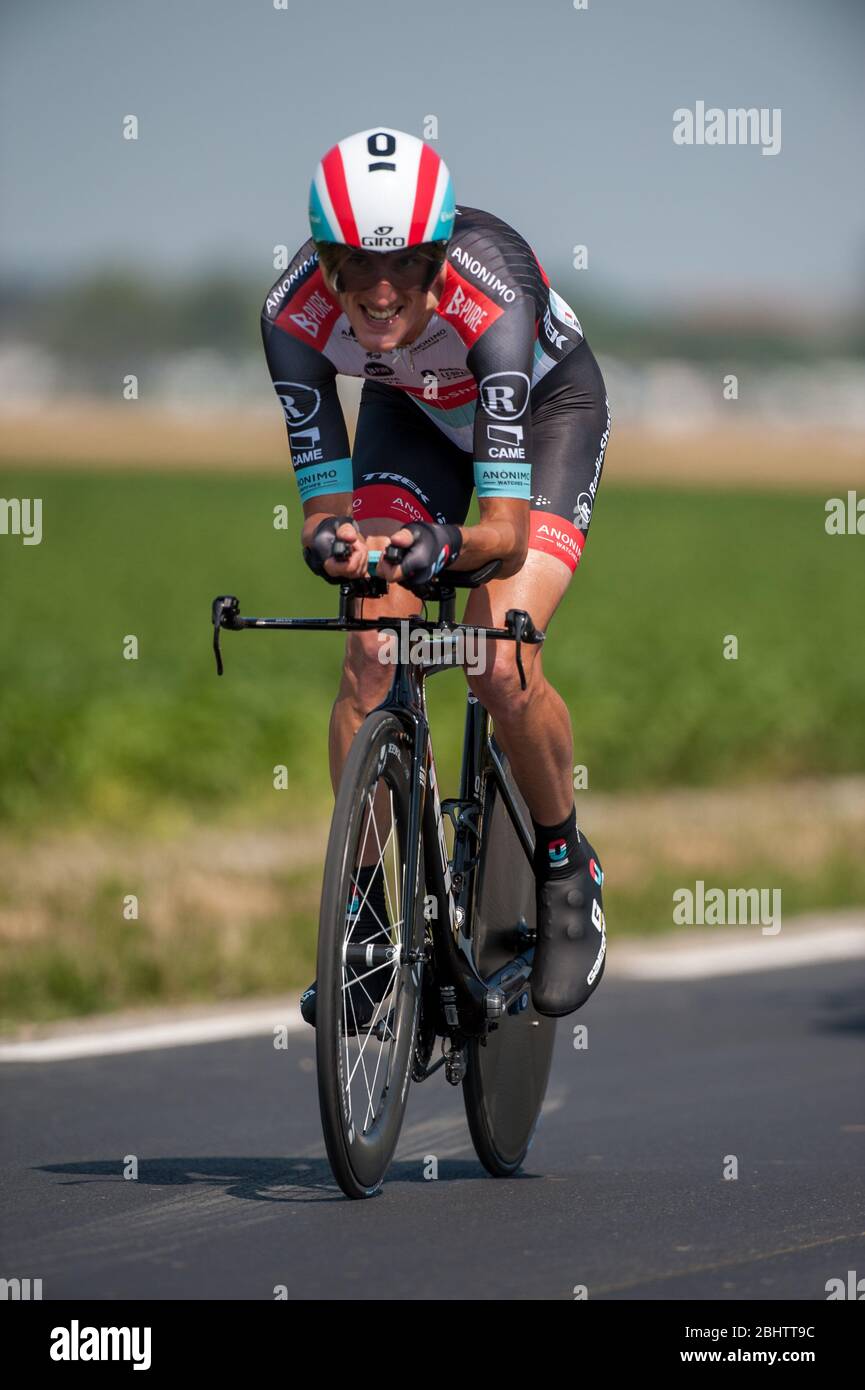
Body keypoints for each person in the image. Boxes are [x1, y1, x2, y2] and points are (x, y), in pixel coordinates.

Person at [261, 127, 609, 1029]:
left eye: (409, 266)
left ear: (441, 255)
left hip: (540, 420)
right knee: (373, 650)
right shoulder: (289, 315)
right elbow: (323, 508)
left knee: (498, 662)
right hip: (409, 415)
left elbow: (496, 530)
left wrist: (442, 547)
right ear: (325, 262)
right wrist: (333, 543)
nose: (381, 292)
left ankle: (567, 864)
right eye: (356, 267)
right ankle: (370, 916)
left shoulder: (493, 298)